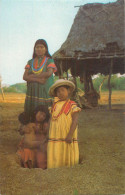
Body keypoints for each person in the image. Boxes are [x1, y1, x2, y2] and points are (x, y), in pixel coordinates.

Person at [47, 79, 81, 169]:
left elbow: (75, 121)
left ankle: (68, 169)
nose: (60, 93)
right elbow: (51, 119)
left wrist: (70, 134)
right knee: (56, 149)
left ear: (68, 91)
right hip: (55, 134)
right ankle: (54, 167)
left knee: (66, 148)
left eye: (62, 90)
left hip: (67, 134)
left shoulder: (73, 105)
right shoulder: (54, 105)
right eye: (58, 91)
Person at [23, 39, 57, 118]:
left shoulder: (50, 61)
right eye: (37, 47)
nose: (39, 49)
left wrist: (31, 76)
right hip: (32, 92)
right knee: (32, 113)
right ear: (34, 49)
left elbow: (48, 73)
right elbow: (24, 77)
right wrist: (38, 79)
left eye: (42, 47)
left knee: (45, 112)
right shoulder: (30, 62)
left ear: (46, 49)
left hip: (45, 90)